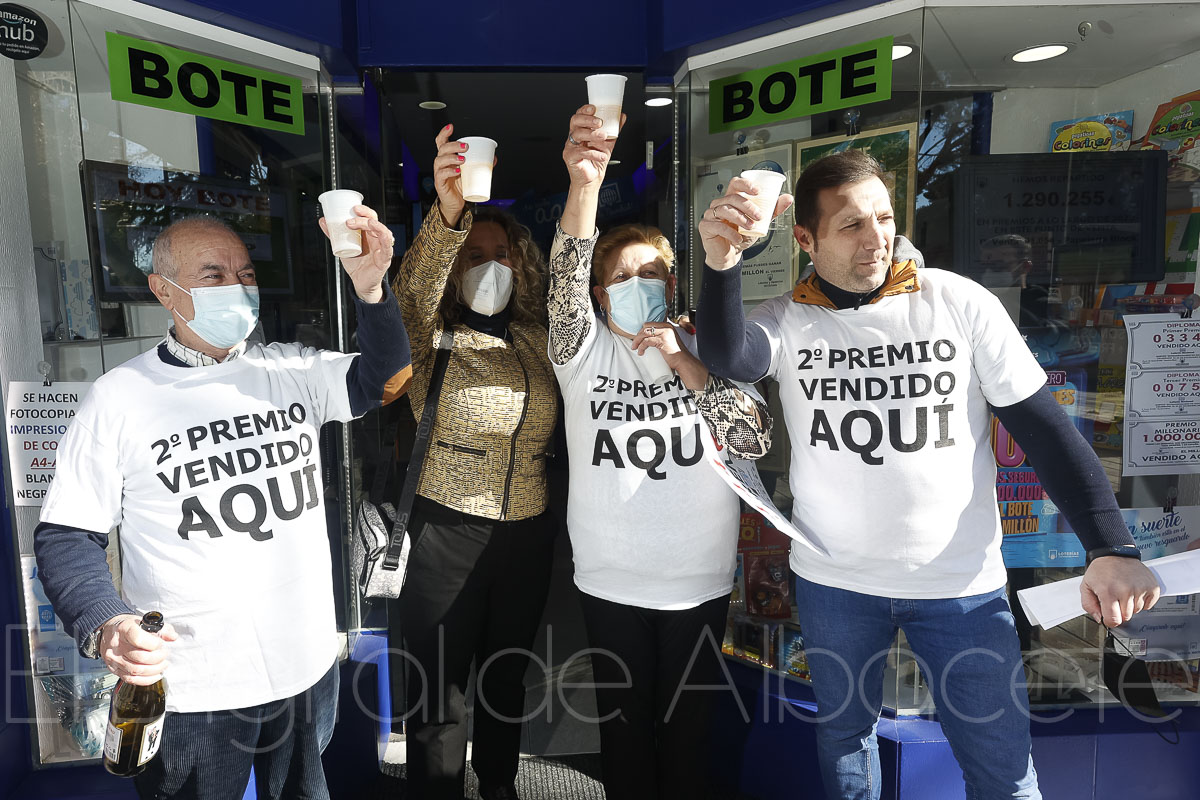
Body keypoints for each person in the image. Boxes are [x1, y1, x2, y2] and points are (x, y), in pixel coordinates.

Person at [695, 149, 1161, 800]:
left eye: (884, 218)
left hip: (961, 586)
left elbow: (1045, 430)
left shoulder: (957, 302)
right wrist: (722, 262)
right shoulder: (789, 318)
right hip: (836, 584)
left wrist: (1110, 547)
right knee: (845, 750)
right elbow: (728, 356)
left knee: (1002, 772)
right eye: (852, 225)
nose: (877, 237)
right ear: (804, 239)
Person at [34, 205, 410, 800]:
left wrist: (371, 288)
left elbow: (386, 380)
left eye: (246, 274)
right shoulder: (119, 398)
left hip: (304, 669)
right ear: (164, 290)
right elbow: (65, 535)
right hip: (193, 689)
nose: (236, 287)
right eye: (213, 274)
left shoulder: (289, 368)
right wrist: (106, 623)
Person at [549, 105, 773, 800]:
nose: (638, 287)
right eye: (622, 277)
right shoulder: (581, 352)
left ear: (673, 286)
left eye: (652, 274)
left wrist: (686, 363)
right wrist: (585, 183)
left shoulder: (709, 344)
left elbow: (752, 439)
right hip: (611, 582)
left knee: (686, 738)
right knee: (623, 734)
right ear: (598, 293)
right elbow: (562, 281)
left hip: (696, 584)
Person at [388, 123, 558, 800]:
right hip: (444, 531)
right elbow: (410, 291)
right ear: (457, 267)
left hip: (529, 529)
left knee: (506, 677)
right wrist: (449, 212)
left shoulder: (538, 336)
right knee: (439, 687)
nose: (493, 266)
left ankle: (500, 786)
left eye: (504, 254)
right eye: (477, 254)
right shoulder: (427, 336)